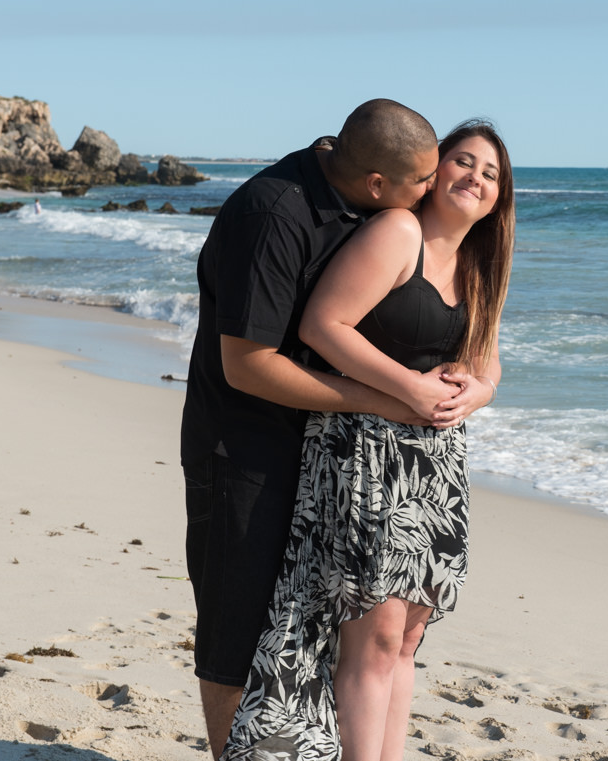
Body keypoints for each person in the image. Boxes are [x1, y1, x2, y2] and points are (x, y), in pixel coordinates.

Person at [221, 120, 515, 761]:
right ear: (434, 172)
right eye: (463, 162)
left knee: (407, 638)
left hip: (434, 467)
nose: (475, 178)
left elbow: (488, 362)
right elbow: (325, 325)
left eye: (490, 173)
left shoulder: (479, 263)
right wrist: (409, 390)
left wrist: (480, 393)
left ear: (500, 196)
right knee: (374, 636)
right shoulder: (397, 232)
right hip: (362, 453)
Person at [180, 99, 457, 760]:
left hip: (321, 454)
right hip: (243, 449)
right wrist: (381, 399)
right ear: (376, 186)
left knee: (307, 632)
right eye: (424, 181)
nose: (435, 187)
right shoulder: (272, 215)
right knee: (237, 631)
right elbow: (248, 366)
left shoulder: (368, 209)